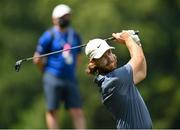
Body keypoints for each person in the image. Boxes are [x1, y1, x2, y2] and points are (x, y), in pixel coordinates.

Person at [85, 30, 152, 129]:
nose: (109, 58)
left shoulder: (116, 79)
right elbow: (139, 58)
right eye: (102, 57)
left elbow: (141, 72)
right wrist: (128, 39)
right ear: (94, 62)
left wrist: (137, 43)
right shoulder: (113, 80)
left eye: (108, 52)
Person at [33, 4, 86, 129]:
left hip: (70, 78)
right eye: (62, 16)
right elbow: (37, 58)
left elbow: (79, 56)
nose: (65, 18)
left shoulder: (75, 35)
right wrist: (45, 72)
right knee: (53, 110)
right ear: (54, 19)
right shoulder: (48, 36)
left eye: (67, 16)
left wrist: (73, 70)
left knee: (77, 110)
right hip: (52, 77)